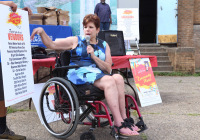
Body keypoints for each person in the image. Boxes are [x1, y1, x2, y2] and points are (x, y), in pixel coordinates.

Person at [30, 14, 139, 136]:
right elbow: (52, 45)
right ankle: (118, 124)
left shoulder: (104, 45)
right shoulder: (76, 40)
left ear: (98, 30)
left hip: (98, 73)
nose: (87, 29)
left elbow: (108, 69)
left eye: (91, 27)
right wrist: (42, 32)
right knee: (109, 81)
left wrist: (93, 56)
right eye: (85, 27)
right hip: (78, 73)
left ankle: (125, 119)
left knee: (118, 77)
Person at [0, 1, 32, 139]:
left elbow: (8, 21)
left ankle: (1, 129)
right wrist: (6, 4)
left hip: (5, 54)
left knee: (3, 94)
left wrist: (20, 14)